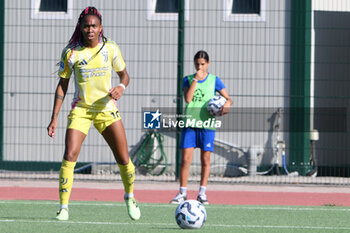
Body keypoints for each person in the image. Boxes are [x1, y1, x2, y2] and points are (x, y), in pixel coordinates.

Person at [47, 6, 140, 221]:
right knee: (70, 155)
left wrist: (121, 88)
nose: (90, 29)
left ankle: (130, 196)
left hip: (107, 110)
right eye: (86, 25)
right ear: (80, 28)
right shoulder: (71, 52)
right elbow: (62, 85)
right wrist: (54, 118)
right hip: (81, 110)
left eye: (94, 26)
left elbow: (124, 75)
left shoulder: (111, 49)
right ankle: (63, 207)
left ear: (101, 28)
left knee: (123, 158)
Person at [170, 50, 233, 205]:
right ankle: (182, 192)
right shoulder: (188, 79)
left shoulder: (214, 80)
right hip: (190, 124)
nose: (200, 67)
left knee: (205, 159)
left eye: (203, 64)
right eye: (197, 64)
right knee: (185, 160)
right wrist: (195, 81)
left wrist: (226, 105)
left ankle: (202, 193)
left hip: (207, 125)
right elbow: (188, 99)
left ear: (208, 64)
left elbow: (229, 99)